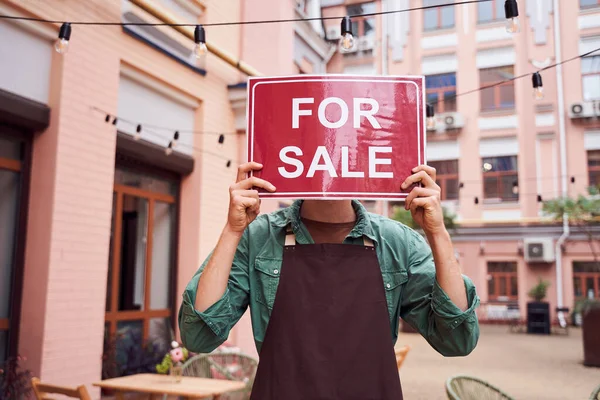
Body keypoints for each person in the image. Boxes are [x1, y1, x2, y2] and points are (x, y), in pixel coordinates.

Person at [179, 162, 480, 400]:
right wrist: (233, 230)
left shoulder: (396, 241)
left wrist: (437, 232)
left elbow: (457, 340)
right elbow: (198, 336)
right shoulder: (258, 236)